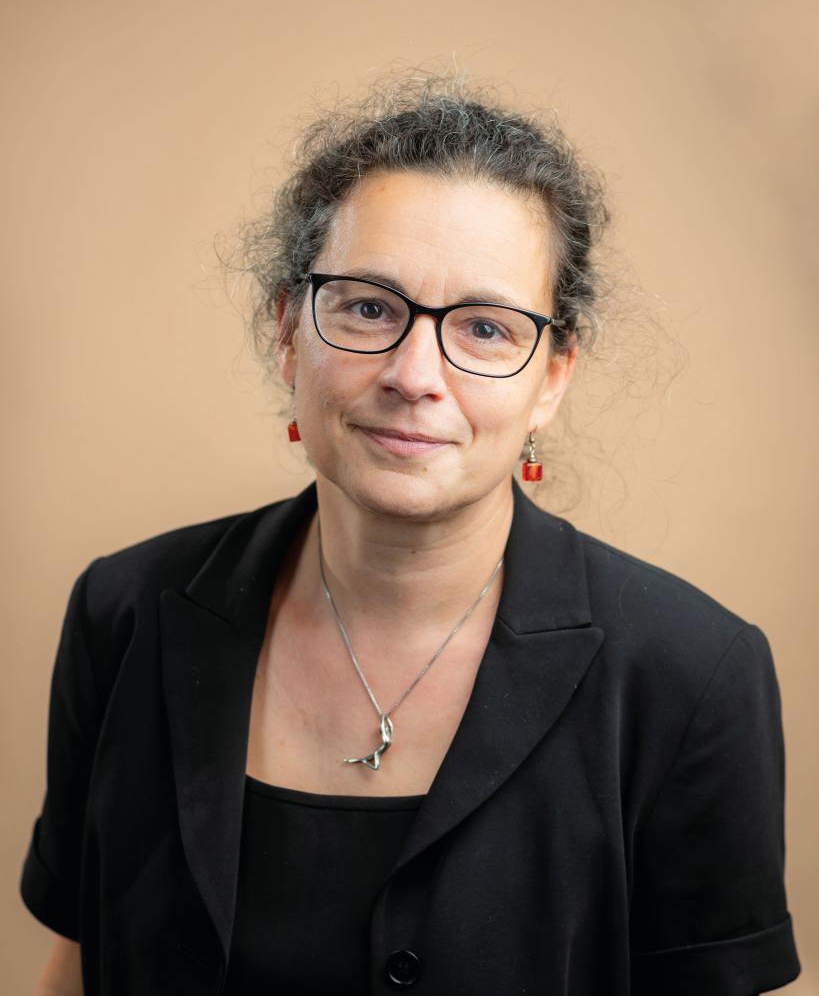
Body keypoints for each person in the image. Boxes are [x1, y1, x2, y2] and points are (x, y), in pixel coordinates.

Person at [24, 76, 799, 996]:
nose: (414, 374)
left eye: (484, 328)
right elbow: (77, 967)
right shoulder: (123, 613)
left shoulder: (692, 676)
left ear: (551, 378)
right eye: (367, 307)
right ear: (288, 330)